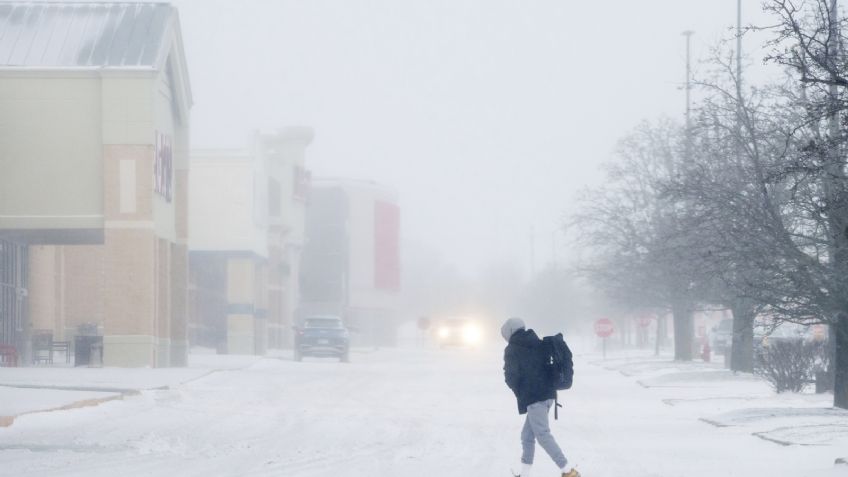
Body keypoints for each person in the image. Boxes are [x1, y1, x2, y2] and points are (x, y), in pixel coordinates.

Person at [501, 317, 579, 477]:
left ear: (509, 332)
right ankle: (524, 472)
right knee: (527, 435)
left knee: (542, 434)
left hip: (534, 397)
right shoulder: (538, 342)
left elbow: (511, 377)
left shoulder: (512, 349)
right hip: (548, 394)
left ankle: (568, 470)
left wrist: (519, 391)